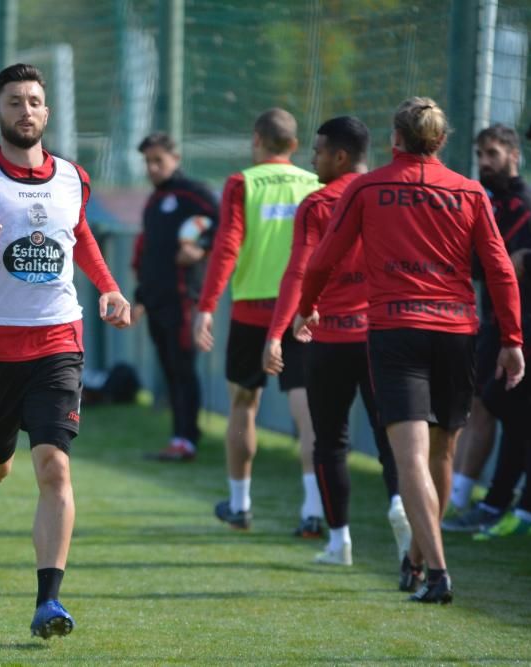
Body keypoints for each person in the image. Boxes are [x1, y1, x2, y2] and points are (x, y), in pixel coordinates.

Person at [0, 63, 130, 639]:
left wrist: (108, 287)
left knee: (54, 467)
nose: (26, 111)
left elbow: (79, 233)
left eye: (35, 101)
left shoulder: (72, 178)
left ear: (47, 112)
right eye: (14, 102)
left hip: (60, 342)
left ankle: (48, 602)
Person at [296, 97, 525, 604]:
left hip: (395, 330)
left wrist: (307, 307)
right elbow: (501, 269)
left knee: (412, 458)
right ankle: (418, 558)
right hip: (458, 331)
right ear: (442, 141)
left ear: (395, 138)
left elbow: (321, 261)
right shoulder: (470, 192)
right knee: (442, 452)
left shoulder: (367, 187)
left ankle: (436, 570)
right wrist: (511, 339)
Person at [263, 116, 410, 567]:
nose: (312, 158)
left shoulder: (318, 203)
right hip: (381, 335)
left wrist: (277, 332)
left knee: (330, 441)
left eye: (320, 151)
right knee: (394, 440)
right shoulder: (388, 197)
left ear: (340, 156)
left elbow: (299, 270)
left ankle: (339, 541)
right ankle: (403, 512)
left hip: (328, 336)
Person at [193, 108, 323, 535]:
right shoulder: (314, 183)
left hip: (253, 307)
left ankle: (240, 504)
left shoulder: (242, 182)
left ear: (256, 140)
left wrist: (207, 305)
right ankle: (313, 509)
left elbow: (227, 246)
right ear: (295, 145)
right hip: (303, 308)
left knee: (244, 404)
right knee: (306, 409)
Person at [443, 124, 531, 529]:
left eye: (492, 154)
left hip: (519, 327)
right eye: (480, 155)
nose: (484, 163)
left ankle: (505, 505)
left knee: (507, 408)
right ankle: (484, 502)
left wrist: (526, 260)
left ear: (514, 155)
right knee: (493, 406)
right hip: (493, 323)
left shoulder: (523, 207)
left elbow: (508, 265)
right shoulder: (487, 202)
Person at [131, 132, 219, 462]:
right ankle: (180, 436)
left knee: (183, 368)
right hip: (156, 299)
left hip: (183, 297)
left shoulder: (193, 194)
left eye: (159, 161)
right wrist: (140, 298)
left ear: (175, 159)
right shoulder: (154, 201)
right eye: (148, 162)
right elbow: (148, 253)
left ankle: (187, 440)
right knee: (169, 368)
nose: (152, 168)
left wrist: (202, 247)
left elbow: (223, 224)